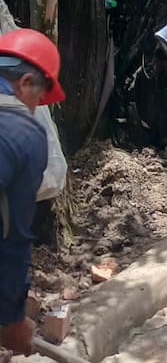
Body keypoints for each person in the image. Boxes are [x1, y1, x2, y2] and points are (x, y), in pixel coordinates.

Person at [0, 29, 65, 358]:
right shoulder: (23, 133)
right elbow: (14, 235)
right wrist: (11, 320)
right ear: (25, 83)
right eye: (37, 101)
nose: (35, 109)